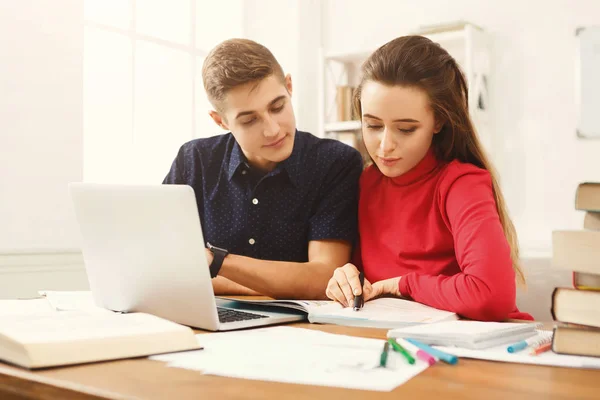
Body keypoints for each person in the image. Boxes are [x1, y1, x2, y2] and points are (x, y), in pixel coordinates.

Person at [325, 35, 533, 321]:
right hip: (392, 338)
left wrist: (404, 284)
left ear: (439, 121)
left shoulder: (462, 184)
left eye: (406, 129)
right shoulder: (366, 183)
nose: (385, 146)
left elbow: (490, 295)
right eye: (373, 125)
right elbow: (365, 283)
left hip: (473, 348)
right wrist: (346, 278)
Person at [164, 38, 363, 300]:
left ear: (289, 87)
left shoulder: (336, 162)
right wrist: (279, 283)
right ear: (220, 121)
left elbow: (325, 277)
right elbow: (166, 269)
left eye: (277, 107)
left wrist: (215, 263)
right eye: (249, 120)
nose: (273, 129)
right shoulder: (194, 160)